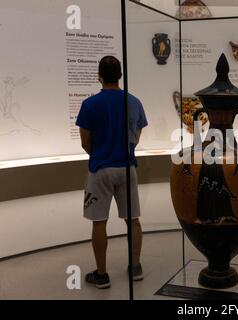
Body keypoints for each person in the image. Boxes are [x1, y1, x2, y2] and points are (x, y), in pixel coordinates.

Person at [76, 56, 148, 289]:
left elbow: (85, 143)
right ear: (120, 75)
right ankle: (135, 266)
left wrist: (100, 153)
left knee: (99, 223)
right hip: (127, 166)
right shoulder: (134, 101)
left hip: (100, 168)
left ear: (99, 75)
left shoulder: (90, 104)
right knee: (133, 220)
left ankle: (102, 274)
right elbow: (136, 136)